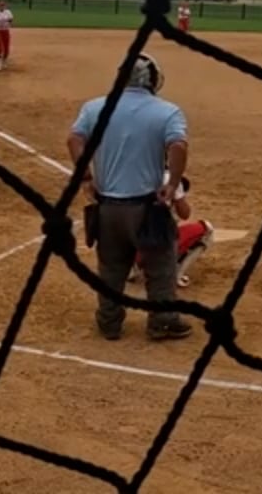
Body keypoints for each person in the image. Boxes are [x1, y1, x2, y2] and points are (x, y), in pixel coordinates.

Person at [67, 53, 193, 342]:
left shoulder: (95, 107)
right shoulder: (168, 111)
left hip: (107, 207)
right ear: (152, 80)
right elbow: (178, 146)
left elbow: (74, 139)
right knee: (160, 267)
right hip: (147, 208)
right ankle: (161, 321)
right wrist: (173, 183)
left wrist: (86, 178)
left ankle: (109, 322)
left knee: (111, 268)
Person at [132, 175, 213, 289]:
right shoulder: (170, 182)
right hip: (147, 253)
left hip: (122, 254)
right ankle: (176, 275)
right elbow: (185, 214)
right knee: (207, 229)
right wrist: (178, 197)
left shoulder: (136, 177)